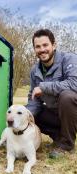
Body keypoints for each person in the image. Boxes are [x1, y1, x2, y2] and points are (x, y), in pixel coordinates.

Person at [26, 28, 77, 158]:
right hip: (55, 113)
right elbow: (34, 99)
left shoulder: (69, 59)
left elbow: (74, 84)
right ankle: (59, 139)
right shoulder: (34, 71)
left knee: (67, 96)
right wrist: (24, 117)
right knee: (31, 115)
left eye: (45, 45)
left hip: (72, 111)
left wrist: (44, 87)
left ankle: (66, 145)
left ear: (54, 45)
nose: (42, 49)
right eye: (38, 46)